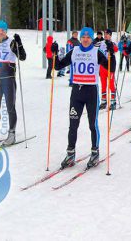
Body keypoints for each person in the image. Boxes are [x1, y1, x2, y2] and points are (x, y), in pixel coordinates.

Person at [51, 27, 114, 169]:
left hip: (91, 92)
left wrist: (111, 52)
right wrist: (53, 53)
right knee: (73, 125)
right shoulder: (74, 51)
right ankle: (70, 153)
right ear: (80, 38)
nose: (85, 39)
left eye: (88, 37)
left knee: (93, 124)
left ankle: (95, 152)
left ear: (92, 39)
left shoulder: (96, 53)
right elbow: (58, 66)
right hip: (76, 93)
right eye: (83, 37)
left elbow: (111, 68)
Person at [0, 20, 27, 145]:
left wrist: (19, 45)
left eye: (3, 30)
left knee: (10, 107)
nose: (0, 32)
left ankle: (12, 134)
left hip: (8, 79)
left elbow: (23, 57)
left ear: (6, 30)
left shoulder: (11, 42)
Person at [98, 29, 118, 110]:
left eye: (108, 34)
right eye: (105, 34)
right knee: (103, 84)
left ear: (110, 35)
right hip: (102, 66)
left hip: (110, 66)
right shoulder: (100, 43)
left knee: (111, 84)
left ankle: (113, 101)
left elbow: (116, 49)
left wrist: (111, 48)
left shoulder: (113, 43)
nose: (106, 35)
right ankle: (103, 101)